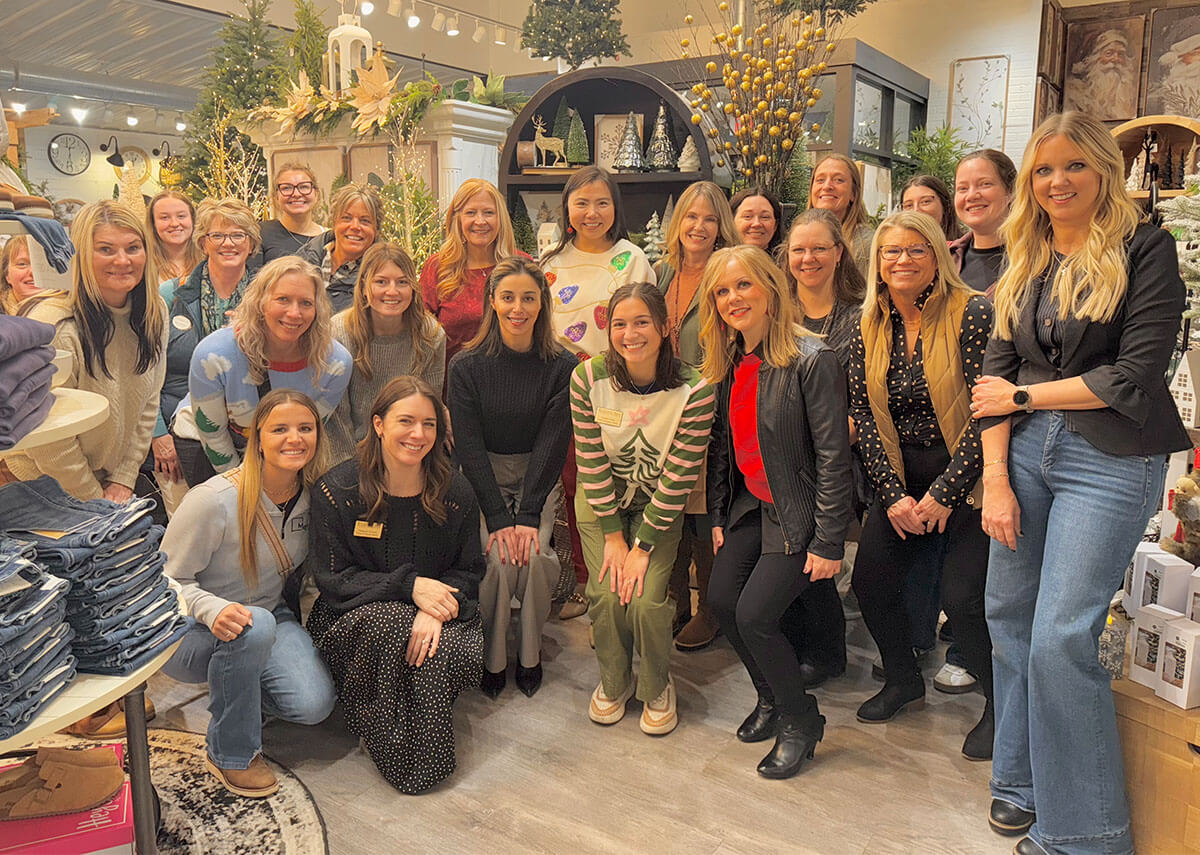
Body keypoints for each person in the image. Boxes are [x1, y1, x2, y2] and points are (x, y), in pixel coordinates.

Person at [972, 111, 1188, 855]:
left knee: (1060, 636)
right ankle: (1021, 783)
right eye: (1043, 170)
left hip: (1112, 457)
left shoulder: (1146, 249)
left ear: (1104, 171)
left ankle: (1088, 836)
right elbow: (993, 374)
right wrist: (995, 478)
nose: (1057, 181)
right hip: (1024, 456)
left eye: (1073, 167)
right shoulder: (1026, 255)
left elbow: (1132, 379)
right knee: (1008, 617)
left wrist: (1028, 397)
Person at [699, 244, 853, 778]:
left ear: (770, 287)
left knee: (757, 616)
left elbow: (834, 456)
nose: (733, 298)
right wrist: (718, 515)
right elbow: (724, 447)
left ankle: (800, 719)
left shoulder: (813, 359)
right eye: (722, 290)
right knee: (721, 600)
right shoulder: (730, 362)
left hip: (798, 510)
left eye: (743, 285)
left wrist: (829, 541)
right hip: (750, 506)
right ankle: (770, 697)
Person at [847, 210, 994, 762]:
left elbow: (988, 413)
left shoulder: (973, 313)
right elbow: (862, 409)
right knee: (871, 582)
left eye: (915, 250)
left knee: (966, 601)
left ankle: (999, 707)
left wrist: (943, 496)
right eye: (890, 252)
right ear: (877, 264)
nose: (902, 261)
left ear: (938, 256)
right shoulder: (870, 323)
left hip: (969, 477)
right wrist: (893, 496)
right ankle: (904, 679)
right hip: (900, 476)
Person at [307, 376, 485, 794]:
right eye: (406, 420)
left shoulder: (456, 491)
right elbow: (334, 580)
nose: (418, 434)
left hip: (442, 613)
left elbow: (470, 571)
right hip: (351, 617)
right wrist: (411, 587)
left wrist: (430, 607)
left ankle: (413, 746)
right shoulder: (338, 491)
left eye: (429, 424)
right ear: (379, 424)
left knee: (437, 649)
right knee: (394, 629)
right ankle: (404, 749)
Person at [162, 389, 335, 798]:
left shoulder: (316, 499)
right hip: (189, 629)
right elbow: (164, 580)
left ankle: (237, 688)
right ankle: (231, 753)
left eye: (305, 428)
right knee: (253, 627)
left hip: (268, 617)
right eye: (280, 429)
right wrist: (211, 609)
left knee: (313, 706)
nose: (294, 438)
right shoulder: (212, 499)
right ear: (257, 438)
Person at [571, 283, 714, 736]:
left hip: (659, 505)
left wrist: (643, 544)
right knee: (607, 594)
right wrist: (614, 537)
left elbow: (680, 474)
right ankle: (614, 682)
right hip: (600, 503)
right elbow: (590, 459)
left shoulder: (695, 388)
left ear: (664, 327)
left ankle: (655, 683)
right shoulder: (587, 378)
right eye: (619, 324)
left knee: (648, 599)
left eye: (641, 322)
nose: (630, 334)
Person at [447, 257, 575, 699]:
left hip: (537, 478)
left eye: (528, 298)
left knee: (536, 554)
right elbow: (469, 447)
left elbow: (552, 444)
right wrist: (500, 517)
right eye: (508, 297)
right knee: (496, 556)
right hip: (482, 478)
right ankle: (493, 654)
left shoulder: (563, 366)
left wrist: (528, 512)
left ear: (542, 305)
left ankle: (530, 651)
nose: (517, 307)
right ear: (492, 303)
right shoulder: (466, 367)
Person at [544, 167, 655, 617]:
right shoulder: (550, 263)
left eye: (602, 203)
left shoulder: (633, 259)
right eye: (582, 203)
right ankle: (584, 584)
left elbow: (645, 327)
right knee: (573, 486)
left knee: (623, 481)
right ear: (567, 207)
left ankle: (627, 580)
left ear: (615, 208)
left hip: (620, 392)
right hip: (562, 391)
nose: (592, 213)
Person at [6, 200, 167, 503]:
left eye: (133, 248)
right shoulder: (53, 326)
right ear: (80, 254)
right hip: (41, 483)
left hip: (111, 477)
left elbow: (149, 399)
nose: (123, 260)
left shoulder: (153, 313)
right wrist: (94, 498)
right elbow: (50, 439)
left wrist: (124, 476)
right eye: (106, 249)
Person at [777, 207, 868, 686]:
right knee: (783, 557)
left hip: (836, 458)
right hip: (780, 460)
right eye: (798, 250)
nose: (808, 258)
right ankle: (792, 647)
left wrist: (828, 441)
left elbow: (868, 396)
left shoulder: (860, 315)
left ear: (838, 253)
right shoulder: (777, 312)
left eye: (819, 248)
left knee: (815, 562)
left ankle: (828, 653)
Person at [171, 256, 351, 486]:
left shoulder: (335, 364)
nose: (294, 313)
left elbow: (304, 436)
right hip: (209, 443)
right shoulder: (213, 355)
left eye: (306, 303)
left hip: (276, 448)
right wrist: (245, 487)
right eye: (283, 299)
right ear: (261, 302)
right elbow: (213, 434)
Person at [654, 180, 736, 651]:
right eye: (690, 216)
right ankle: (675, 603)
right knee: (671, 507)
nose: (698, 226)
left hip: (713, 406)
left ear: (720, 225)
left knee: (705, 512)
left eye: (708, 218)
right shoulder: (664, 273)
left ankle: (709, 609)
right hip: (665, 406)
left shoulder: (726, 271)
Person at [155, 199, 262, 498]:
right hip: (183, 429)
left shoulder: (267, 295)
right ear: (203, 243)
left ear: (251, 244)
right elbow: (144, 371)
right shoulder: (170, 294)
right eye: (218, 235)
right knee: (191, 521)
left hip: (249, 425)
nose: (228, 243)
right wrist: (158, 434)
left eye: (238, 235)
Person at [329, 243, 446, 465]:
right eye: (381, 282)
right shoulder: (338, 333)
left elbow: (428, 412)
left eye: (402, 282)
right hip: (349, 459)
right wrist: (352, 472)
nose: (392, 291)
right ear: (364, 287)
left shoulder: (431, 336)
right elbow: (337, 420)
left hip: (409, 455)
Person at [419, 179, 525, 367]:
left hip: (513, 380)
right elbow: (420, 333)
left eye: (489, 213)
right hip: (452, 386)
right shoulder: (438, 267)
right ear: (457, 218)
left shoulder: (521, 265)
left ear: (500, 217)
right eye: (470, 213)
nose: (480, 221)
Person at [298, 183, 383, 314]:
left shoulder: (381, 275)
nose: (355, 226)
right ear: (334, 222)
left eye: (365, 220)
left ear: (376, 230)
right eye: (346, 218)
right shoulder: (303, 259)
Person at [952, 149, 1017, 297]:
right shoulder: (946, 259)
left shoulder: (1037, 260)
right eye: (962, 188)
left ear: (1011, 190)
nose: (971, 196)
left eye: (985, 184)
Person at [807, 153, 874, 273]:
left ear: (853, 193)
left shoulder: (867, 246)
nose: (827, 186)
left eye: (838, 180)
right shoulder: (797, 238)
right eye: (820, 180)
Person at [1063, 29, 1138, 121]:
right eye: (1109, 53)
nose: (1116, 59)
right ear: (1096, 58)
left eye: (1120, 54)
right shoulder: (1076, 93)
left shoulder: (1129, 95)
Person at [260, 163, 326, 263]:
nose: (296, 194)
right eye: (287, 188)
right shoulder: (261, 233)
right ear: (276, 197)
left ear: (316, 194)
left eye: (304, 187)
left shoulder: (328, 239)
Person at [145, 190, 203, 286]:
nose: (174, 223)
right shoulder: (144, 264)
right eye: (165, 217)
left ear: (193, 219)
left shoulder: (209, 259)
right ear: (153, 223)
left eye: (181, 216)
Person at [900, 175, 961, 241]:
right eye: (909, 205)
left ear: (945, 205)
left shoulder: (964, 248)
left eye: (925, 201)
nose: (916, 210)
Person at [729, 186, 783, 252]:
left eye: (765, 217)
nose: (756, 224)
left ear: (775, 225)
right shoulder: (717, 261)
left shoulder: (788, 260)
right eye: (747, 216)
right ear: (731, 221)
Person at [0, 235, 41, 314]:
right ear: (7, 275)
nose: (33, 272)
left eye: (40, 264)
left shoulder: (69, 313)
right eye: (22, 264)